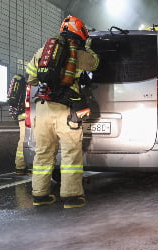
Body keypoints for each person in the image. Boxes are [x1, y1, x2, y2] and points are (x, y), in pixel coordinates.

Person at [25, 16, 99, 208]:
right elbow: (95, 63)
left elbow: (31, 78)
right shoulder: (79, 53)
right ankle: (71, 197)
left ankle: (40, 196)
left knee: (42, 153)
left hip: (42, 108)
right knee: (70, 154)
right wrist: (87, 47)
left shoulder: (45, 50)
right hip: (66, 108)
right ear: (80, 32)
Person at [7, 74, 30, 175]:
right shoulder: (29, 85)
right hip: (26, 116)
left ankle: (21, 166)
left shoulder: (21, 83)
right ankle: (20, 167)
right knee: (24, 139)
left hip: (21, 115)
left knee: (24, 139)